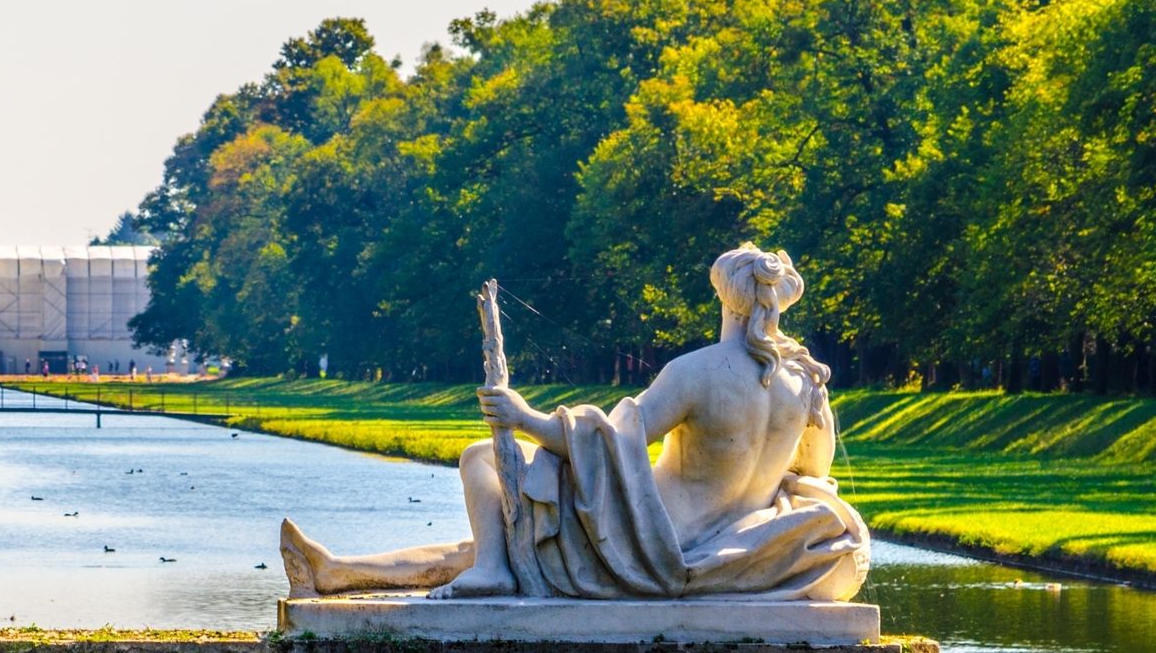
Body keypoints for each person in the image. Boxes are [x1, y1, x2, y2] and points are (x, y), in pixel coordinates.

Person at [282, 244, 869, 602]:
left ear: (725, 296)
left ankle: (488, 571)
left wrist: (524, 417)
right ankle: (337, 572)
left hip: (647, 539)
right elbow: (813, 475)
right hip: (727, 543)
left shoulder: (697, 372)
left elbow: (614, 441)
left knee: (482, 460)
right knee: (512, 540)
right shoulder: (806, 383)